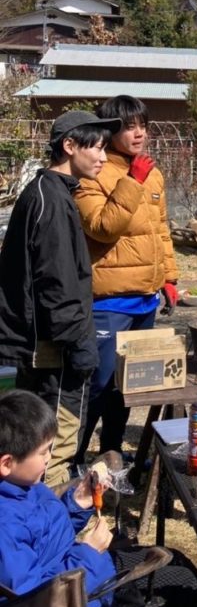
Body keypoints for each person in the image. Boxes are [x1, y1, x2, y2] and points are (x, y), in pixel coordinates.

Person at [0, 390, 197, 607]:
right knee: (182, 583)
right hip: (75, 605)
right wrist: (89, 552)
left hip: (84, 572)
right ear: (7, 463)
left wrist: (78, 503)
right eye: (43, 451)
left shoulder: (23, 488)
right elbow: (33, 603)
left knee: (175, 557)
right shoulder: (4, 524)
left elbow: (46, 538)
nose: (49, 458)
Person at [0, 110, 120, 486]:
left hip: (46, 344)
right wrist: (80, 347)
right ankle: (50, 530)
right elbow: (57, 282)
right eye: (96, 148)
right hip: (55, 348)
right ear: (69, 146)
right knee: (55, 441)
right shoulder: (50, 200)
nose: (103, 157)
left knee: (33, 438)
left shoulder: (47, 192)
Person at [74, 95, 179, 464]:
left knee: (127, 386)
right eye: (129, 126)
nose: (139, 133)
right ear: (110, 130)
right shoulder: (93, 174)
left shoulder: (153, 172)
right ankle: (68, 462)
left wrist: (168, 277)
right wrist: (131, 181)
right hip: (108, 300)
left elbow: (160, 231)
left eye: (143, 125)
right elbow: (103, 228)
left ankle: (111, 453)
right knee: (97, 385)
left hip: (145, 299)